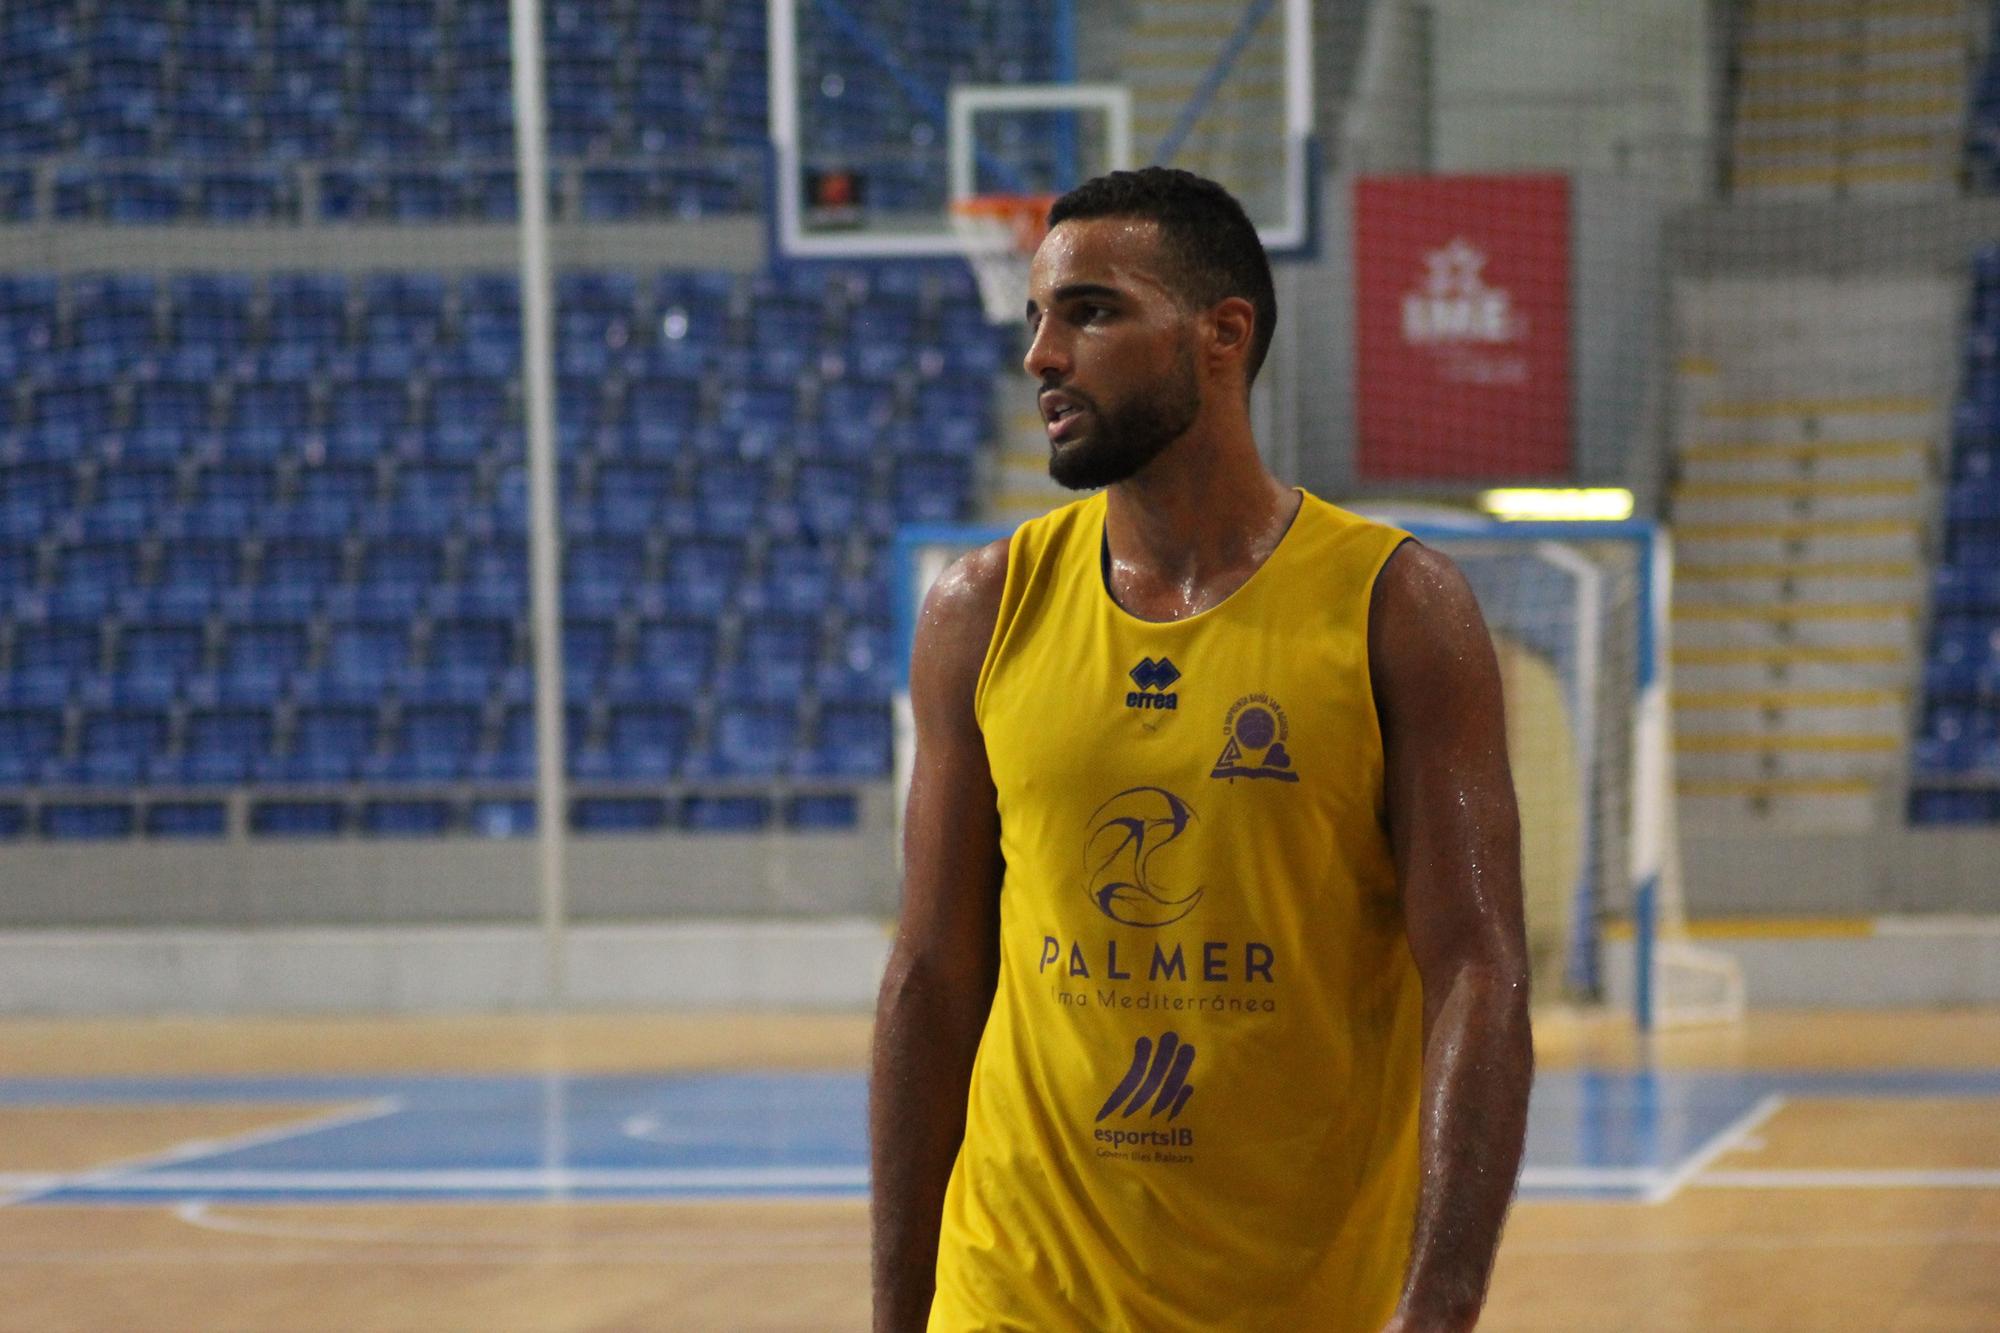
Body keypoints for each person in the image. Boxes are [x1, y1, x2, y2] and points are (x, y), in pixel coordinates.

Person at [871, 166, 1532, 1332]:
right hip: (1013, 1290)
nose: (1040, 356)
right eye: (1035, 317)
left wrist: (1436, 1313)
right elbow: (930, 978)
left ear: (1220, 334)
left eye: (1089, 311)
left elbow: (1477, 970)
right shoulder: (980, 607)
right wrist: (896, 1315)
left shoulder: (1395, 608)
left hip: (1294, 1297)